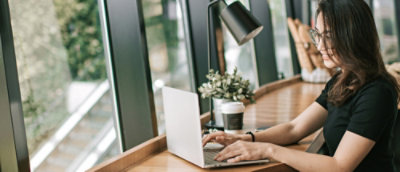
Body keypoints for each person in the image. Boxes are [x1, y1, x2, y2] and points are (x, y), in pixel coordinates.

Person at [202, 0, 399, 171]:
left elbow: (340, 167)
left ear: (353, 35)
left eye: (328, 36)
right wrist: (247, 139)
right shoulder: (341, 80)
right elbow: (294, 128)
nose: (319, 46)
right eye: (318, 35)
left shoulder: (378, 92)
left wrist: (267, 150)